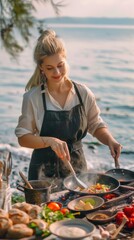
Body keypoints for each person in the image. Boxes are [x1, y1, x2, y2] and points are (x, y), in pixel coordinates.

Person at [15, 29, 122, 190]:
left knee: (79, 212)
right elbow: (23, 138)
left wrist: (109, 140)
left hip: (77, 171)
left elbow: (95, 124)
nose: (57, 72)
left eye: (60, 65)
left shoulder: (82, 92)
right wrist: (50, 141)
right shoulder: (33, 97)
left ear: (66, 60)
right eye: (50, 68)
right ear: (41, 68)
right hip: (42, 175)